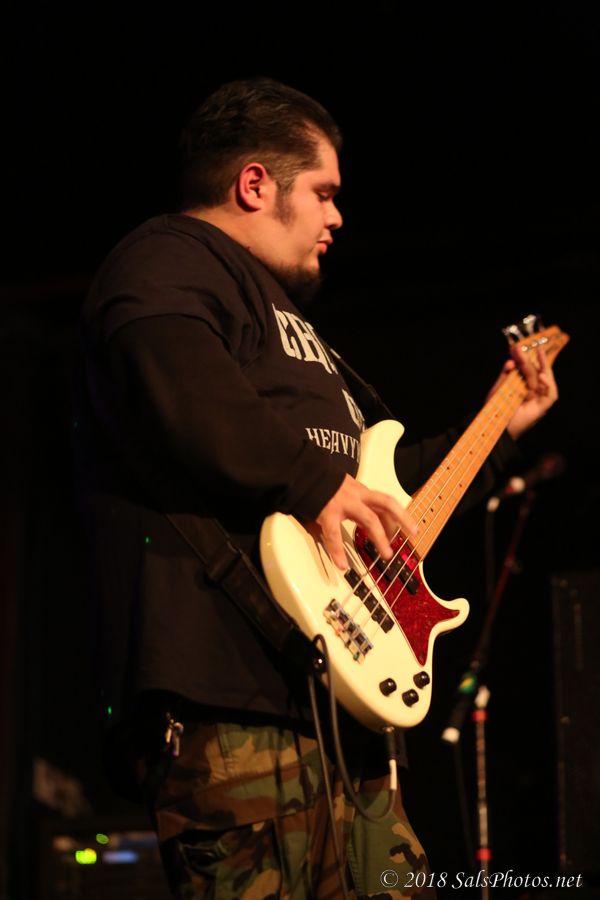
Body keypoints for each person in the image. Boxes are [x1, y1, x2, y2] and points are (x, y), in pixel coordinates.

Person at [75, 77, 558, 899]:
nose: (337, 218)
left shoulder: (302, 338)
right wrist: (311, 481)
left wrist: (500, 425)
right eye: (324, 193)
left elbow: (381, 493)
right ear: (254, 184)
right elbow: (188, 392)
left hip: (339, 709)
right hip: (231, 699)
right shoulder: (166, 260)